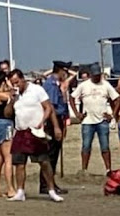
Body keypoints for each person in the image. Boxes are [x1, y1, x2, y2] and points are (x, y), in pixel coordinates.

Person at [6, 69, 63, 202]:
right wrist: (12, 99)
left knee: (44, 161)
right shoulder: (15, 96)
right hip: (20, 130)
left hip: (35, 130)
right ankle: (20, 191)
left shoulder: (37, 90)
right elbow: (8, 113)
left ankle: (51, 190)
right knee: (19, 163)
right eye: (13, 83)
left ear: (22, 79)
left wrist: (52, 125)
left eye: (17, 82)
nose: (16, 85)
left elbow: (49, 107)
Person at [69, 63, 120, 174]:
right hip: (87, 120)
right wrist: (77, 113)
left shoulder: (106, 85)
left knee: (105, 146)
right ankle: (84, 169)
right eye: (95, 75)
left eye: (98, 75)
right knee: (86, 145)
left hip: (102, 120)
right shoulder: (84, 85)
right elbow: (72, 97)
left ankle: (108, 169)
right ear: (91, 75)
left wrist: (112, 115)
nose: (97, 77)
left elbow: (117, 98)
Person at [41, 60, 71, 194]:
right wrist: (56, 127)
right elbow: (51, 107)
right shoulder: (51, 85)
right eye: (65, 71)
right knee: (51, 154)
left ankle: (49, 183)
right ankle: (47, 184)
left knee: (53, 154)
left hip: (58, 120)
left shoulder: (55, 84)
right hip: (53, 121)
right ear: (60, 70)